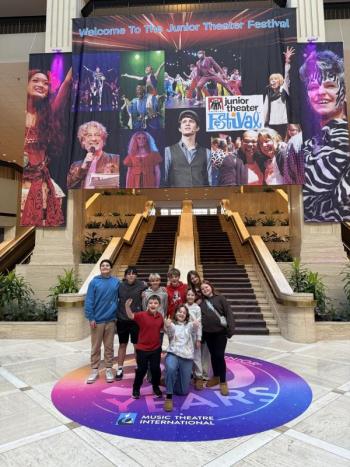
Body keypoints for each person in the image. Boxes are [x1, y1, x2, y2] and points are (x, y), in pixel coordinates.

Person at [299, 49, 350, 221]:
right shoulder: (311, 142)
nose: (320, 92)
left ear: (344, 91)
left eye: (329, 85)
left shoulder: (344, 138)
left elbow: (315, 190)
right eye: (313, 87)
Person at [21, 68, 72, 226]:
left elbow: (67, 83)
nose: (41, 85)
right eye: (35, 80)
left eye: (46, 83)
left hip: (39, 182)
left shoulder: (48, 114)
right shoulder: (13, 112)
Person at [84, 259, 120, 384]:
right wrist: (91, 317)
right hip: (97, 320)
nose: (105, 267)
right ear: (100, 268)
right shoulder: (94, 282)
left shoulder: (116, 282)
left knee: (109, 347)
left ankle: (109, 369)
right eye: (103, 265)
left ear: (111, 268)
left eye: (107, 265)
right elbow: (89, 301)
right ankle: (94, 370)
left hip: (110, 320)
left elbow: (125, 292)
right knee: (96, 347)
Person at [200, 280, 235, 396]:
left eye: (206, 287)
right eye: (203, 289)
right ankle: (215, 376)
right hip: (208, 333)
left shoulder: (220, 298)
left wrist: (230, 330)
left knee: (219, 356)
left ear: (211, 287)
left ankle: (223, 382)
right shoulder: (202, 303)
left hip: (220, 333)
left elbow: (228, 313)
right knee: (213, 356)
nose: (205, 290)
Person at [125, 296, 164, 399]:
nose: (153, 305)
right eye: (150, 303)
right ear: (147, 305)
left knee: (156, 369)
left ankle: (155, 387)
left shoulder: (160, 316)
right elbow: (131, 316)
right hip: (142, 349)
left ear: (159, 305)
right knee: (142, 370)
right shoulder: (142, 315)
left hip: (155, 349)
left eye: (155, 303)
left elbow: (163, 329)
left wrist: (168, 326)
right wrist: (127, 307)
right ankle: (136, 388)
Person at [163, 304, 199, 411]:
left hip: (187, 357)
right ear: (175, 313)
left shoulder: (190, 325)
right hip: (173, 354)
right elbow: (170, 333)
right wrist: (167, 325)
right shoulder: (172, 325)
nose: (181, 314)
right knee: (170, 368)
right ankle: (169, 396)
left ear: (186, 315)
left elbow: (194, 330)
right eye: (179, 311)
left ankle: (170, 380)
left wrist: (196, 325)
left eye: (184, 312)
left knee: (183, 391)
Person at [164, 110, 212, 187]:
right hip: (175, 197)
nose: (187, 123)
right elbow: (163, 181)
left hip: (201, 197)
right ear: (180, 128)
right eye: (184, 121)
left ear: (197, 128)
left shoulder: (207, 152)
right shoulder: (167, 151)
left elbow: (211, 181)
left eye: (191, 121)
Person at [67, 121, 120, 189]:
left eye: (97, 135)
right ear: (83, 141)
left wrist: (99, 181)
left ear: (103, 139)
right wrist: (82, 168)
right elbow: (68, 186)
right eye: (89, 135)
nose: (93, 139)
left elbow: (121, 183)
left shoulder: (116, 159)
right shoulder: (75, 165)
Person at [115, 266, 147, 381]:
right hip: (122, 319)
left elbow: (152, 289)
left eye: (133, 273)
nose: (131, 275)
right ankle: (119, 368)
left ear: (136, 275)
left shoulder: (142, 285)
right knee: (122, 344)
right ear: (125, 276)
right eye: (129, 273)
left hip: (136, 321)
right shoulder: (120, 286)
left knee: (136, 345)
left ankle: (139, 367)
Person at [263, 46, 295, 136]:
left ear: (280, 81)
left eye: (275, 79)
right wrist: (263, 124)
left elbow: (287, 75)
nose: (272, 81)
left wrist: (287, 62)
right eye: (271, 80)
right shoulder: (269, 93)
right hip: (272, 123)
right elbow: (265, 110)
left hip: (283, 123)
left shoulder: (284, 89)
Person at [142, 273, 168, 346]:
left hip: (160, 322)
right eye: (153, 281)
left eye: (157, 280)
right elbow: (144, 307)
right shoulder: (146, 293)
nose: (155, 282)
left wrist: (162, 317)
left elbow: (165, 307)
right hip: (149, 322)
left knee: (159, 344)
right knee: (149, 344)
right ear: (150, 282)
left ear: (160, 281)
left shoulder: (164, 293)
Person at [185, 289, 203, 390]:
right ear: (186, 296)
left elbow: (199, 325)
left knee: (196, 357)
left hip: (194, 336)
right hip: (185, 336)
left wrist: (198, 339)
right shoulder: (183, 307)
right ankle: (187, 375)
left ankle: (199, 377)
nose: (190, 296)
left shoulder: (197, 308)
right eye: (188, 295)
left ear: (195, 297)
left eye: (192, 295)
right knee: (186, 356)